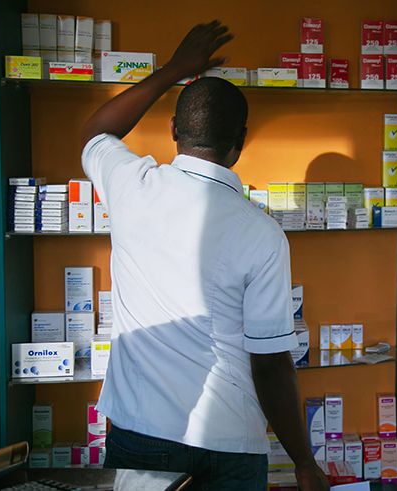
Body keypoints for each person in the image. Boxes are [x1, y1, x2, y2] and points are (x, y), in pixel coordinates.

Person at [79, 22, 329, 491]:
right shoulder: (263, 233)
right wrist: (303, 462)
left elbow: (96, 131)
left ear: (173, 130)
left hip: (140, 432)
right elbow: (271, 364)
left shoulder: (133, 185)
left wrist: (175, 70)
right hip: (228, 440)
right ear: (241, 143)